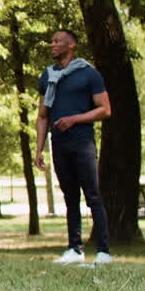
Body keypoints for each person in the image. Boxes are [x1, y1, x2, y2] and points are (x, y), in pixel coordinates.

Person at [34, 29, 114, 265]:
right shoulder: (47, 76)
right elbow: (42, 116)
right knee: (70, 197)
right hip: (58, 144)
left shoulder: (89, 74)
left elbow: (105, 109)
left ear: (71, 45)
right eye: (52, 41)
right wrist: (38, 149)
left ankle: (103, 252)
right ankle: (74, 249)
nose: (52, 45)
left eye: (58, 41)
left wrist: (75, 119)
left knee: (93, 196)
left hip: (83, 143)